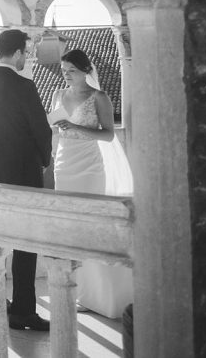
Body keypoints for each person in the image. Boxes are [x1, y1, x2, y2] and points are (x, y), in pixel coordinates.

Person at [0, 29, 52, 332]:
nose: (28, 57)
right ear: (18, 53)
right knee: (25, 242)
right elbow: (41, 130)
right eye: (27, 52)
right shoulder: (25, 86)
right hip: (22, 171)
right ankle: (22, 311)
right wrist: (44, 160)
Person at [50, 48, 134, 318]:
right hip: (64, 164)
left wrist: (75, 128)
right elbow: (52, 122)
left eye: (71, 71)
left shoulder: (99, 97)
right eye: (63, 71)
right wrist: (58, 126)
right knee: (71, 228)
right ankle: (83, 293)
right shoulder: (58, 94)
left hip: (89, 166)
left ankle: (106, 295)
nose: (66, 75)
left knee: (93, 227)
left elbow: (108, 135)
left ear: (85, 70)